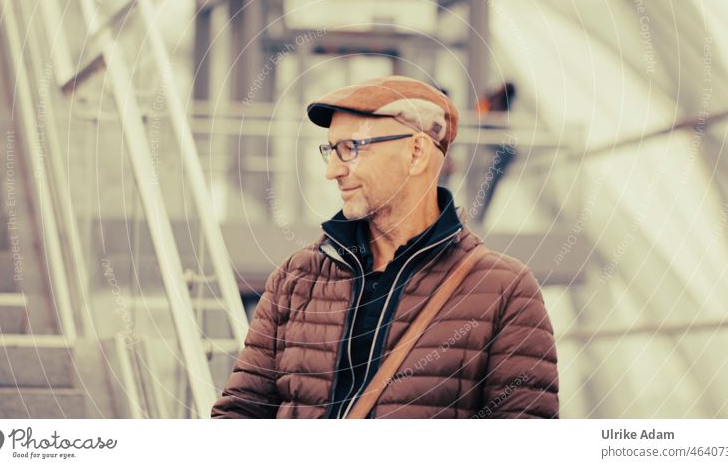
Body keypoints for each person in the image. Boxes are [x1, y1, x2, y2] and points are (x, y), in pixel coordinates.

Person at [211, 75, 558, 419]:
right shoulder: (294, 279)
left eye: (351, 148)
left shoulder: (506, 292)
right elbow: (239, 416)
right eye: (331, 150)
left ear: (417, 152)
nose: (332, 171)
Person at [469, 81, 518, 224]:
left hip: (501, 151)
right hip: (501, 150)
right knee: (489, 184)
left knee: (489, 183)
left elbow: (480, 117)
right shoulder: (495, 102)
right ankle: (479, 216)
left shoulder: (496, 102)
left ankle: (480, 217)